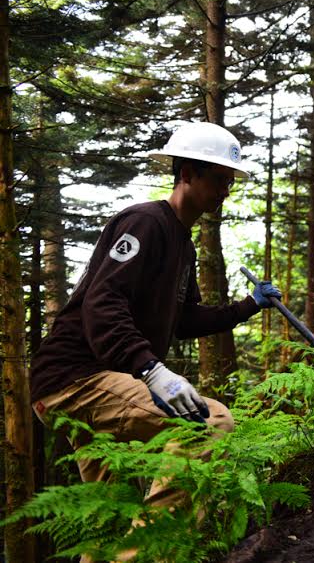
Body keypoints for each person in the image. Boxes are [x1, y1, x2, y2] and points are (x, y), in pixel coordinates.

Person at [29, 122, 282, 543]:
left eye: (229, 182)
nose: (226, 190)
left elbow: (183, 319)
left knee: (108, 518)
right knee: (206, 423)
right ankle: (155, 552)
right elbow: (102, 302)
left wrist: (247, 307)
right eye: (219, 179)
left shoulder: (183, 245)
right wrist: (152, 370)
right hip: (75, 378)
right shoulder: (144, 222)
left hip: (99, 382)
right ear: (186, 174)